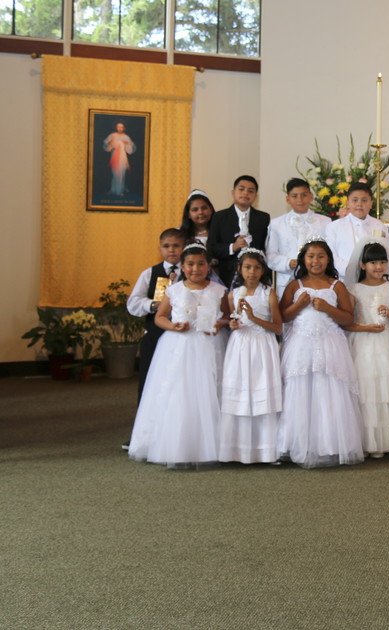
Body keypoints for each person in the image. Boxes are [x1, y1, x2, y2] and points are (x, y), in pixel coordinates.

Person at [128, 242, 227, 469]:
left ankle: (211, 444)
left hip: (210, 345)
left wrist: (219, 324)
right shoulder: (174, 290)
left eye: (200, 264)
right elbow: (160, 317)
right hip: (178, 346)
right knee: (177, 391)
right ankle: (172, 444)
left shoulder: (219, 290)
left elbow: (227, 317)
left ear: (208, 266)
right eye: (190, 264)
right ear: (182, 266)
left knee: (209, 390)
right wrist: (173, 326)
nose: (195, 269)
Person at [277, 239, 364, 468]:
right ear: (303, 260)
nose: (315, 261)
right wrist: (299, 305)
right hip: (300, 344)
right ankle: (296, 443)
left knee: (329, 390)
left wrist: (327, 308)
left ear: (328, 259)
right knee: (299, 390)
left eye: (321, 256)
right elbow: (283, 316)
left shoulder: (337, 286)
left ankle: (329, 445)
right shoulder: (295, 285)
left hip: (330, 343)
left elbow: (348, 318)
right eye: (311, 256)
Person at [343, 239, 389, 459]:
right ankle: (369, 441)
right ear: (362, 265)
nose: (378, 267)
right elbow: (347, 321)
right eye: (373, 262)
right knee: (368, 391)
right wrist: (366, 327)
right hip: (363, 343)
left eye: (382, 262)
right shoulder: (353, 289)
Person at [218, 247, 283, 465]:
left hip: (263, 346)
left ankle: (267, 450)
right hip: (240, 346)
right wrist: (233, 323)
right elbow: (231, 320)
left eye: (256, 267)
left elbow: (278, 327)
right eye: (247, 267)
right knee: (242, 393)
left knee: (261, 392)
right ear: (240, 269)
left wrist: (254, 317)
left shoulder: (268, 293)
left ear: (263, 270)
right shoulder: (233, 294)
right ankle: (238, 450)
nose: (252, 272)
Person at [126, 228, 186, 413]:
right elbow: (133, 303)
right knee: (149, 379)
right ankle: (143, 427)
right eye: (166, 246)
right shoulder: (150, 273)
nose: (171, 250)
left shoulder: (192, 271)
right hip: (155, 332)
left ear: (184, 247)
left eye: (176, 245)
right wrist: (154, 305)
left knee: (179, 380)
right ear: (159, 249)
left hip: (183, 333)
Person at [267, 178, 332, 296]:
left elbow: (330, 252)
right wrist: (288, 263)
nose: (300, 200)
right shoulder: (276, 224)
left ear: (311, 196)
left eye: (304, 195)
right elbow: (271, 256)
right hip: (287, 280)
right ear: (287, 199)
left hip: (318, 279)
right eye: (294, 196)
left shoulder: (325, 222)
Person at [209, 175, 271, 286]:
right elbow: (212, 248)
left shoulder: (263, 218)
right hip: (227, 276)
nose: (245, 193)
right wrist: (233, 247)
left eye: (250, 191)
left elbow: (267, 248)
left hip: (256, 276)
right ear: (233, 192)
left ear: (255, 196)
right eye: (241, 189)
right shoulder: (219, 217)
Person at [325, 181, 389, 276]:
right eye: (355, 200)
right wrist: (351, 270)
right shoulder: (334, 226)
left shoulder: (379, 225)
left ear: (371, 203)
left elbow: (386, 252)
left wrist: (370, 271)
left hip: (373, 278)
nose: (359, 204)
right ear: (347, 203)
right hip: (343, 277)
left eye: (364, 200)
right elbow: (331, 254)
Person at [103, 121, 136, 196]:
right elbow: (106, 144)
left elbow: (131, 148)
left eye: (121, 127)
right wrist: (110, 143)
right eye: (118, 127)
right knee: (115, 173)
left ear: (124, 128)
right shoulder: (112, 135)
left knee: (121, 173)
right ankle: (113, 189)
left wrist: (127, 144)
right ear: (116, 127)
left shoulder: (126, 137)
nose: (120, 128)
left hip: (122, 157)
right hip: (114, 156)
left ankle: (120, 191)